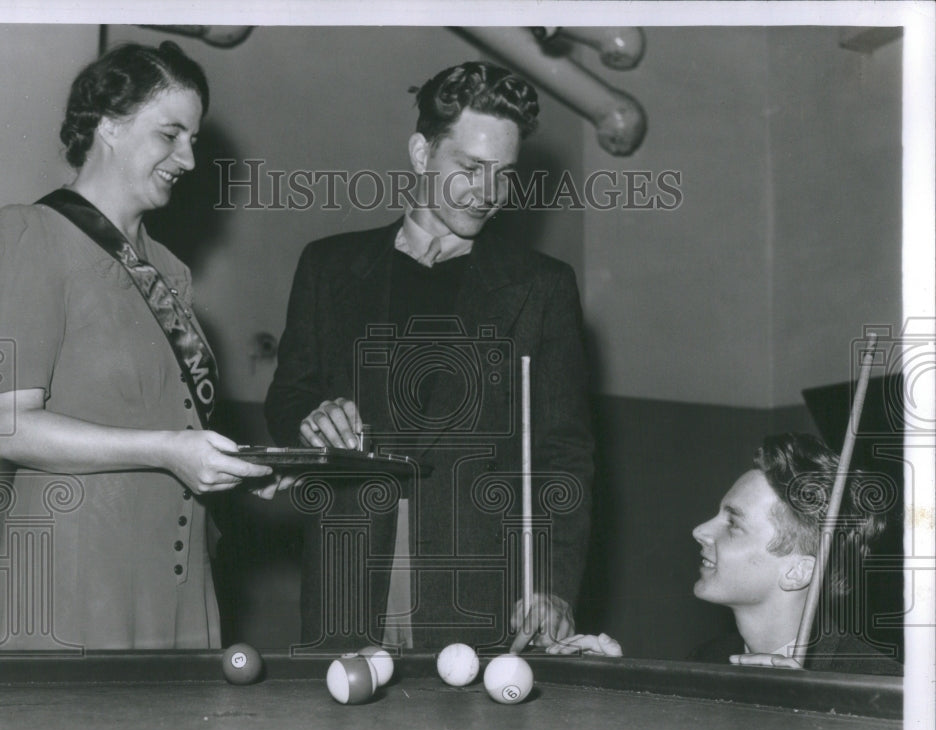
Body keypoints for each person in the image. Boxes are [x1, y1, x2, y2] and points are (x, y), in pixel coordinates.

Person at [264, 61, 593, 650]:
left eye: (504, 175)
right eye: (470, 168)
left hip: (484, 591)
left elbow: (561, 452)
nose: (489, 194)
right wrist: (310, 420)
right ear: (421, 154)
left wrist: (551, 584)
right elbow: (289, 397)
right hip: (347, 575)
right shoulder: (327, 267)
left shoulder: (543, 287)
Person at [0, 41, 284, 651]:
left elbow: (172, 426)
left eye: (192, 139)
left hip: (178, 580)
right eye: (171, 134)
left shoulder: (169, 269)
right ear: (109, 125)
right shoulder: (29, 232)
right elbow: (5, 428)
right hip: (77, 579)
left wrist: (237, 468)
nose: (189, 158)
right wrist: (170, 450)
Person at [548, 433, 902, 676]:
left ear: (798, 571)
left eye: (733, 524)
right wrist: (613, 682)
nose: (700, 530)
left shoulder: (879, 684)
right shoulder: (708, 660)